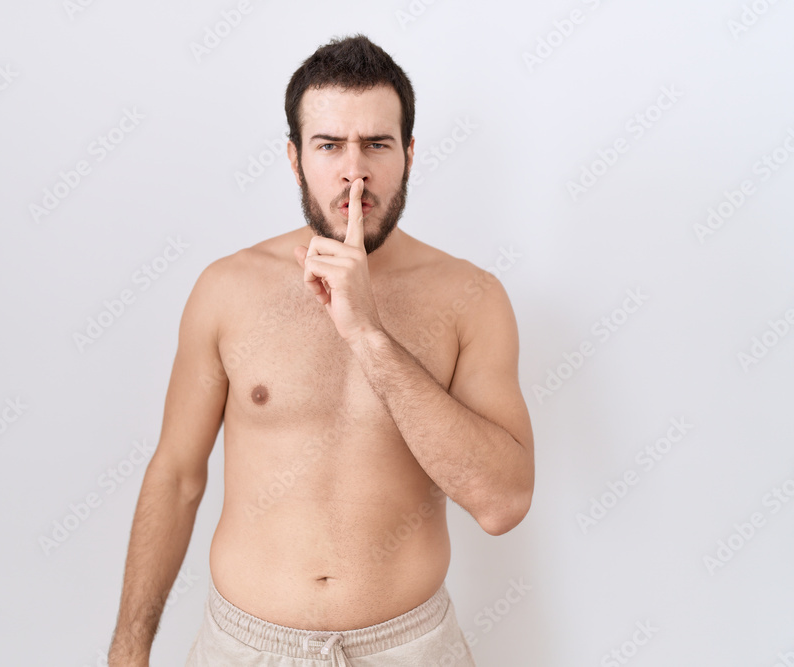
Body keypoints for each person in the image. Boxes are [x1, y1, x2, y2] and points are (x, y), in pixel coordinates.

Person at [108, 34, 534, 666]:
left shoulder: (470, 298)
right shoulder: (227, 289)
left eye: (377, 145)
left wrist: (368, 331)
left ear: (410, 154)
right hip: (244, 648)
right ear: (293, 156)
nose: (353, 171)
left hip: (408, 649)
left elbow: (502, 503)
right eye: (329, 145)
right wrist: (128, 648)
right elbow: (176, 477)